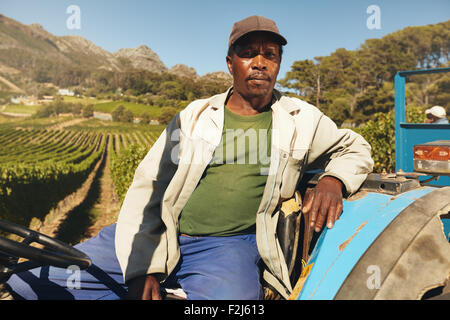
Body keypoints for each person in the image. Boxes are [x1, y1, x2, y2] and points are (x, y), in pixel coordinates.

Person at [5, 15, 373, 300]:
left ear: (279, 64)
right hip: (163, 231)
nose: (260, 62)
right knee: (28, 283)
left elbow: (355, 147)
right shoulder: (194, 117)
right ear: (231, 63)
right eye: (248, 54)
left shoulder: (301, 118)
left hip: (228, 245)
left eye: (270, 55)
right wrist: (144, 266)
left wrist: (332, 179)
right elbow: (150, 188)